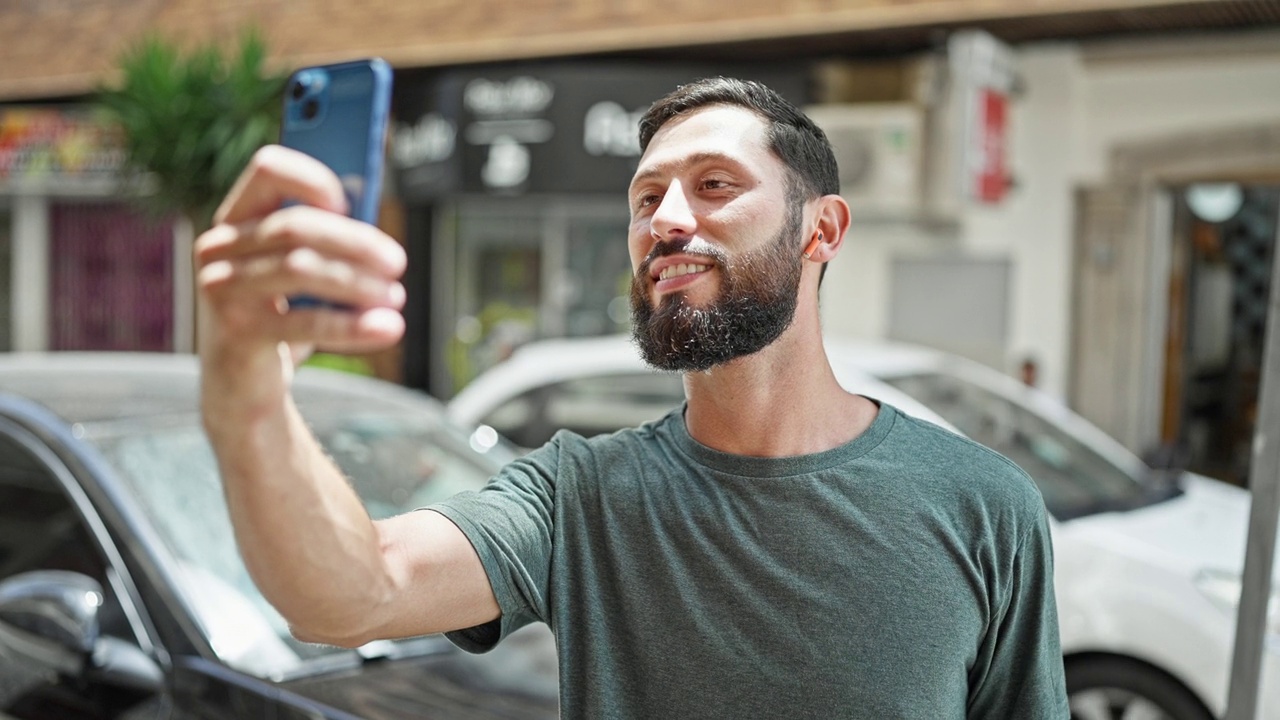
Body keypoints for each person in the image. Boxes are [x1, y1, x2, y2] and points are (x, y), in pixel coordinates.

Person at [196, 77, 1069, 719]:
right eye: (647, 196)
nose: (666, 219)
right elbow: (351, 595)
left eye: (715, 185)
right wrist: (246, 382)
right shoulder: (582, 497)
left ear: (822, 228)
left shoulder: (985, 507)